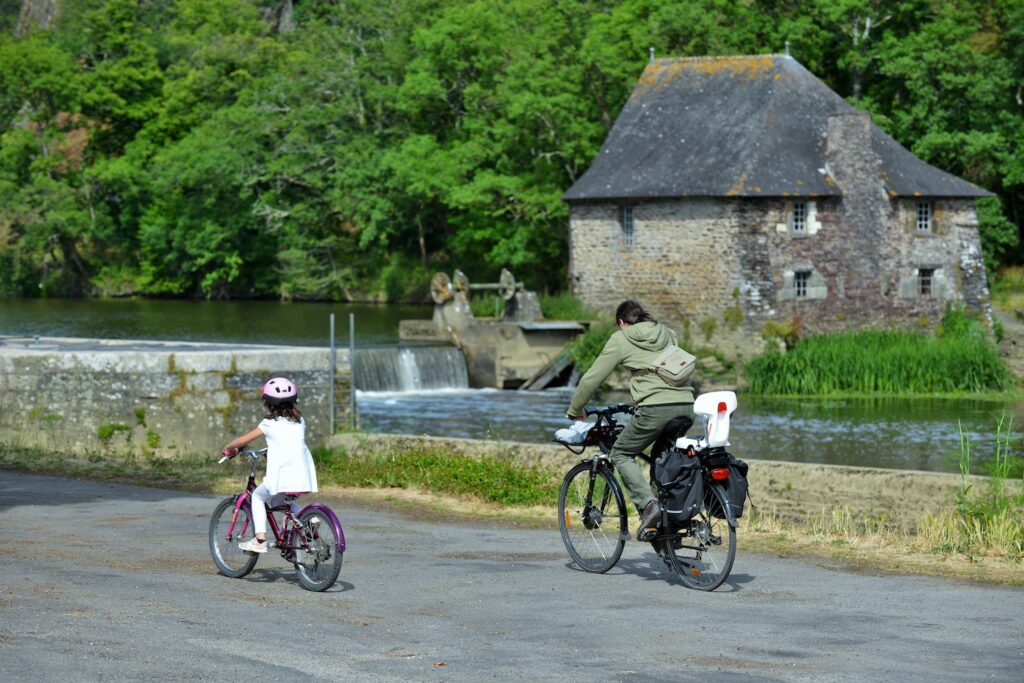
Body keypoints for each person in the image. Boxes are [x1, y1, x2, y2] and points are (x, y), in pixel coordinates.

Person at [566, 300, 694, 538]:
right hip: (686, 405)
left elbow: (591, 379)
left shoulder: (621, 338)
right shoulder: (667, 333)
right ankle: (666, 520)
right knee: (662, 457)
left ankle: (649, 506)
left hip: (655, 409)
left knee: (621, 453)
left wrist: (576, 409)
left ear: (622, 323)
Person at [222, 377, 318, 554]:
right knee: (280, 501)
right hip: (302, 475)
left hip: (282, 476)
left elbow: (243, 440)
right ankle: (308, 519)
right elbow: (286, 442)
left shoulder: (268, 423)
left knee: (258, 497)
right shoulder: (300, 421)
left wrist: (230, 448)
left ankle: (260, 541)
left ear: (269, 403)